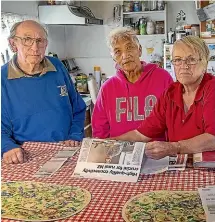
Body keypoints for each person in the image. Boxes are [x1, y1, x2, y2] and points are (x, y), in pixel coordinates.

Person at [114, 36, 215, 159]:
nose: (184, 66)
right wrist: (106, 143)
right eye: (177, 60)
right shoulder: (170, 93)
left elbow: (212, 138)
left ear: (204, 63)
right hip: (180, 168)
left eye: (191, 59)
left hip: (209, 169)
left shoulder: (211, 88)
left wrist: (174, 147)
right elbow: (141, 134)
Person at [1, 20, 86, 164]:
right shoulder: (2, 79)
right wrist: (6, 147)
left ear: (46, 44)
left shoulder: (57, 66)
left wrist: (75, 135)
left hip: (66, 150)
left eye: (40, 40)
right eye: (27, 40)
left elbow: (78, 108)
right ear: (13, 44)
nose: (35, 47)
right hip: (25, 157)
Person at [92, 27, 173, 139]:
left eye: (129, 48)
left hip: (156, 153)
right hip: (120, 153)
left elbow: (174, 120)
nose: (125, 56)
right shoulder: (107, 88)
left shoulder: (163, 78)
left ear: (139, 50)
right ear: (113, 58)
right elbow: (100, 130)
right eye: (118, 51)